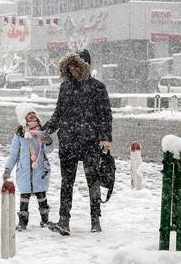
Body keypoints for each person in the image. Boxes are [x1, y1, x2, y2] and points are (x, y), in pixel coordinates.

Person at [43, 49, 113, 235]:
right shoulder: (65, 87)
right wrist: (47, 129)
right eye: (70, 65)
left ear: (85, 66)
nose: (73, 69)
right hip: (68, 141)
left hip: (90, 142)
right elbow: (59, 113)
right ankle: (64, 220)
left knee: (93, 182)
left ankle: (95, 219)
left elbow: (105, 115)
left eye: (76, 65)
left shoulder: (98, 87)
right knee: (67, 182)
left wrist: (106, 137)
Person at [3, 104, 54, 231]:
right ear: (23, 118)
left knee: (41, 194)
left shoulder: (41, 132)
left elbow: (48, 150)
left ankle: (45, 220)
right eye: (28, 114)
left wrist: (47, 141)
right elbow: (14, 154)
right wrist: (8, 169)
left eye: (33, 113)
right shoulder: (20, 134)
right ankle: (23, 222)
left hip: (40, 169)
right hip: (24, 171)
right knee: (24, 196)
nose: (32, 116)